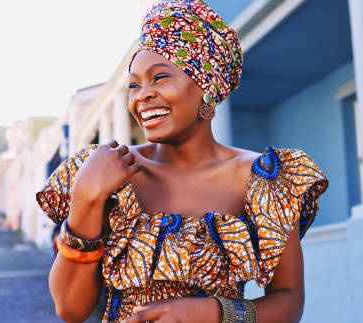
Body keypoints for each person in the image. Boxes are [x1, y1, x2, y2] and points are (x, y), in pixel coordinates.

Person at [36, 1, 328, 322]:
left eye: (159, 78)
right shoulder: (103, 170)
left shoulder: (266, 178)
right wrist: (86, 198)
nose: (142, 95)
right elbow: (70, 310)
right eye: (134, 84)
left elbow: (289, 302)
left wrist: (215, 313)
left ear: (208, 87)